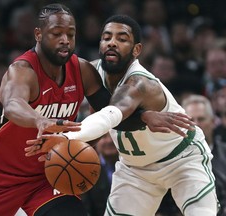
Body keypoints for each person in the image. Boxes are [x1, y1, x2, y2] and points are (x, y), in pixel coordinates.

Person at [0, 4, 193, 215]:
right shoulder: (22, 70)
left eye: (70, 34)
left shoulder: (82, 70)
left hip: (49, 173)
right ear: (38, 34)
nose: (65, 40)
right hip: (0, 177)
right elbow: (12, 105)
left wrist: (144, 117)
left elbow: (110, 113)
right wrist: (39, 120)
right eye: (56, 34)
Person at [27, 15, 219, 215]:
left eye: (122, 38)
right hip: (135, 169)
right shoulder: (91, 72)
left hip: (182, 159)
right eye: (107, 37)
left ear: (136, 50)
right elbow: (95, 116)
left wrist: (67, 137)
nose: (112, 42)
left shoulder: (140, 83)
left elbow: (109, 115)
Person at [81, 133, 118, 216]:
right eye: (104, 137)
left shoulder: (133, 167)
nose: (109, 140)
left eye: (112, 136)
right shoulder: (86, 172)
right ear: (94, 142)